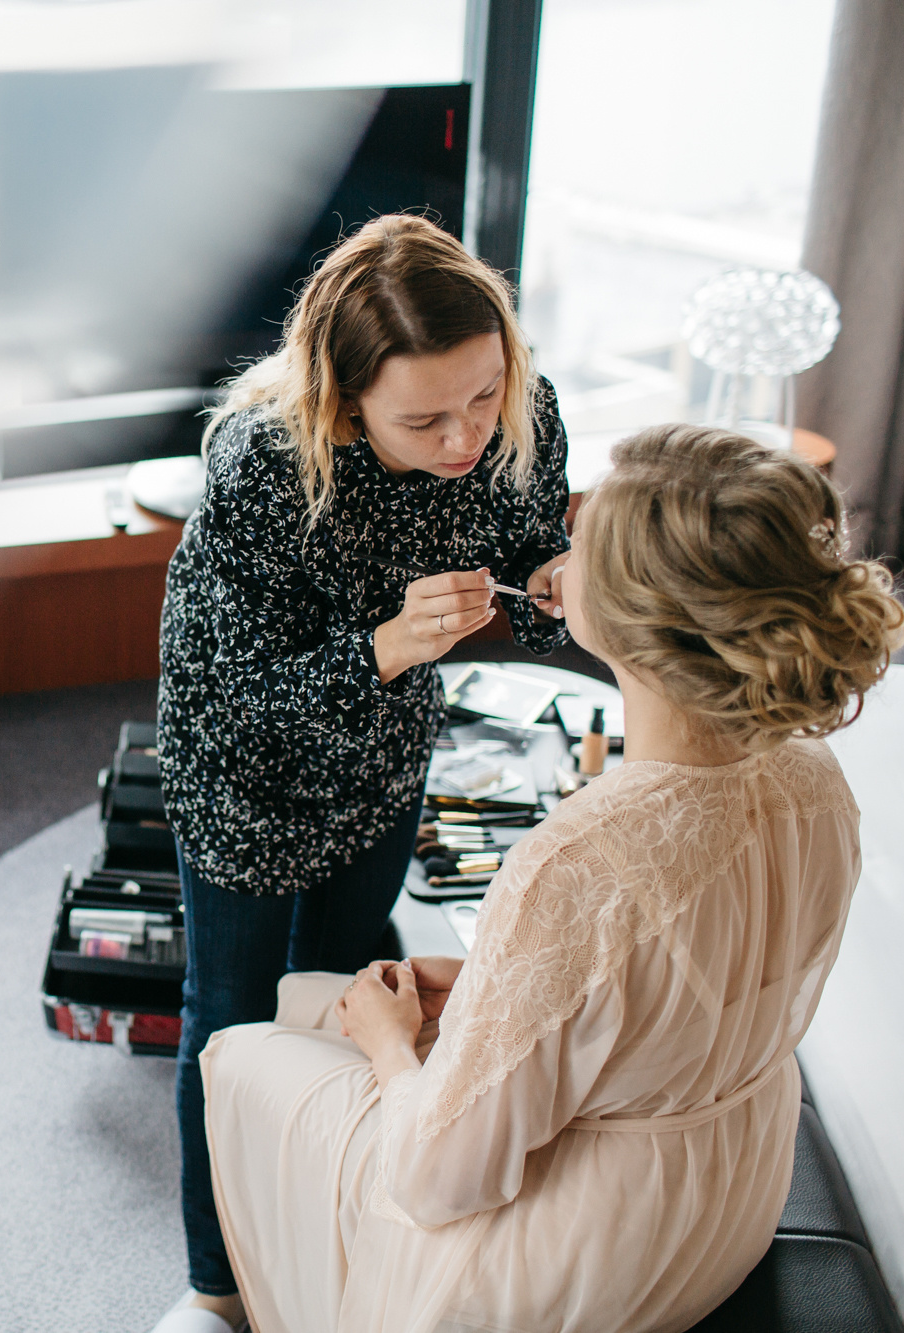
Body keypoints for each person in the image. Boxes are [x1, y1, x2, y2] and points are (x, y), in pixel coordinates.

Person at [198, 424, 904, 1332]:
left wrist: (389, 1043)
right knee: (315, 1003)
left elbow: (433, 1175)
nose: (560, 562)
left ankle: (220, 1300)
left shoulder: (577, 864)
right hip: (728, 1194)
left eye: (582, 547)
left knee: (253, 1051)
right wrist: (502, 986)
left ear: (633, 621)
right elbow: (695, 983)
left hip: (591, 1258)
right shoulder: (815, 781)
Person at [152, 214, 573, 1331]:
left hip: (382, 752)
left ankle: (321, 1217)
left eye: (482, 394)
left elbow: (530, 545)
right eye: (424, 419)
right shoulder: (265, 467)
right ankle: (216, 1284)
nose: (465, 436)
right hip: (241, 770)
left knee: (348, 980)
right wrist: (386, 646)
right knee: (231, 1013)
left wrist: (558, 578)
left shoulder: (517, 412)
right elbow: (242, 703)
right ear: (343, 405)